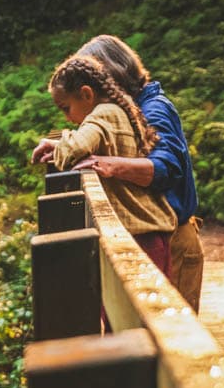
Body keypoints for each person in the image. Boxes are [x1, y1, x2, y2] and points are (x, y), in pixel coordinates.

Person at [73, 34, 204, 311]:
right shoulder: (133, 111)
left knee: (173, 339)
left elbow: (166, 168)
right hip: (164, 237)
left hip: (175, 238)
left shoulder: (152, 110)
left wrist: (110, 166)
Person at [31, 53, 176, 277]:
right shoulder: (118, 109)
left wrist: (63, 141)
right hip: (149, 235)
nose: (67, 119)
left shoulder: (103, 114)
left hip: (140, 238)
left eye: (66, 108)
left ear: (86, 94)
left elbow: (72, 151)